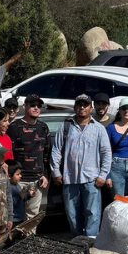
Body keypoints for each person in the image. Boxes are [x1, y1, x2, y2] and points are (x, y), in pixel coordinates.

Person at [51, 94, 112, 236]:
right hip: (69, 178)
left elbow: (106, 153)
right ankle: (77, 241)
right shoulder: (66, 126)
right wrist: (56, 172)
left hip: (92, 179)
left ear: (91, 108)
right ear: (75, 107)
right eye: (79, 105)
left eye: (85, 105)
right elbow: (56, 150)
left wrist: (103, 175)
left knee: (93, 213)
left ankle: (90, 242)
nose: (82, 107)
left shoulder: (99, 129)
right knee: (72, 214)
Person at [7, 94, 51, 221]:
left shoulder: (43, 127)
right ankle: (15, 241)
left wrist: (45, 175)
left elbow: (47, 153)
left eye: (39, 106)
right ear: (25, 106)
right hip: (18, 181)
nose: (36, 108)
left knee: (32, 218)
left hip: (36, 180)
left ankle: (29, 240)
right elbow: (9, 155)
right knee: (15, 216)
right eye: (32, 105)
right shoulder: (14, 127)